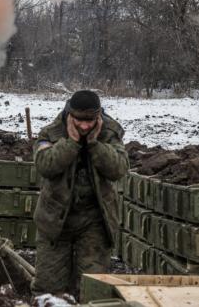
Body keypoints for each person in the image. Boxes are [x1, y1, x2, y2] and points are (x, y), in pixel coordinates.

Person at [31, 90, 129, 296]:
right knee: (48, 289)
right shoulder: (51, 132)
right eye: (79, 121)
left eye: (91, 120)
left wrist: (94, 145)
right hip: (55, 221)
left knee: (92, 289)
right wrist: (71, 143)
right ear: (69, 115)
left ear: (99, 117)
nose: (85, 126)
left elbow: (119, 169)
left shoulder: (109, 133)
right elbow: (45, 165)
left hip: (95, 220)